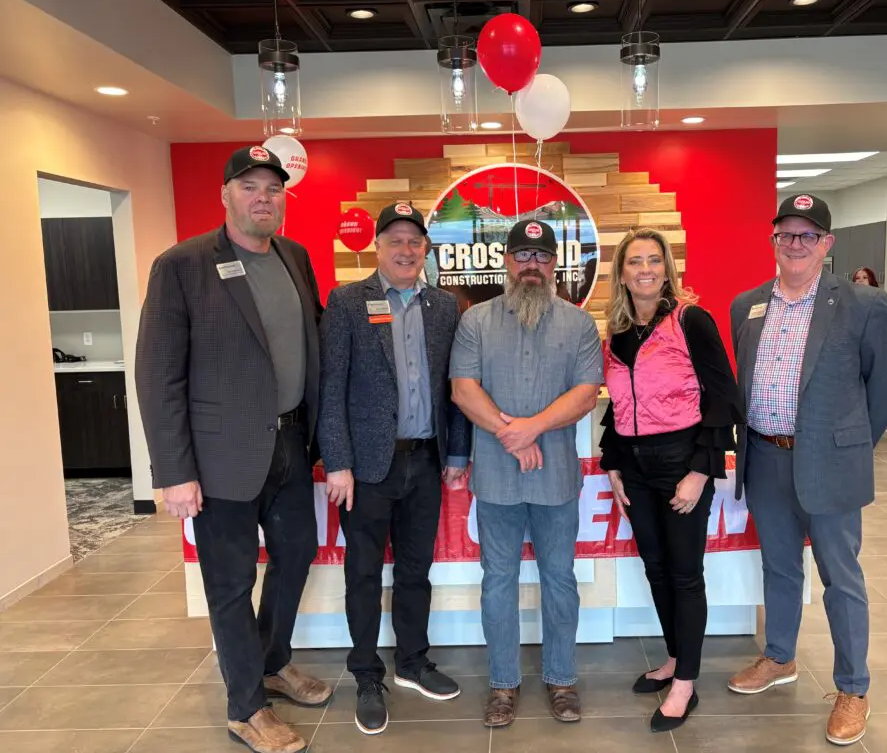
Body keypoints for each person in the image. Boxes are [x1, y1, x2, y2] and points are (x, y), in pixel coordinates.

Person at [136, 146, 329, 753]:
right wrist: (173, 471)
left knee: (295, 558)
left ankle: (271, 664)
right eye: (250, 186)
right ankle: (246, 708)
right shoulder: (182, 265)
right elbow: (157, 372)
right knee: (229, 581)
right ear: (226, 195)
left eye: (274, 188)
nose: (264, 197)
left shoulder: (296, 258)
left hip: (292, 444)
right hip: (221, 459)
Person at [728, 194, 887, 747]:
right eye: (786, 234)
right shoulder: (747, 305)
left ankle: (853, 687)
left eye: (809, 235)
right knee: (779, 568)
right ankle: (780, 657)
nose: (796, 244)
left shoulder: (863, 303)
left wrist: (851, 444)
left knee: (840, 576)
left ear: (827, 244)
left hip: (830, 464)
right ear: (773, 240)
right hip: (765, 457)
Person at [318, 203, 471, 736]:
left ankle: (413, 661)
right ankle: (365, 674)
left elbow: (457, 385)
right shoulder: (346, 302)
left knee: (414, 571)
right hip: (366, 468)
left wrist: (457, 454)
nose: (406, 250)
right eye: (396, 241)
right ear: (378, 247)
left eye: (415, 241)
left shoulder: (445, 306)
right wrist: (336, 462)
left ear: (425, 248)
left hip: (426, 461)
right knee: (361, 574)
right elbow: (330, 388)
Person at [450, 219, 603, 729]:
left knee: (560, 580)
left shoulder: (579, 324)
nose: (531, 265)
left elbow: (586, 394)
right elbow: (463, 390)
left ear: (554, 264)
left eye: (541, 256)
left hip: (556, 478)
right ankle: (502, 683)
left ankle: (561, 678)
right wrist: (511, 437)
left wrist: (530, 429)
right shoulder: (475, 322)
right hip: (495, 477)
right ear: (507, 263)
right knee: (498, 581)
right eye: (522, 256)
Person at [599, 228, 742, 733]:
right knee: (656, 570)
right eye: (634, 261)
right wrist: (612, 463)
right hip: (635, 470)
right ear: (620, 272)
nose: (644, 269)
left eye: (653, 260)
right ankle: (675, 659)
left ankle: (687, 681)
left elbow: (723, 399)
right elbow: (617, 409)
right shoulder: (616, 334)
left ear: (666, 268)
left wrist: (700, 472)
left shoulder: (690, 320)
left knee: (684, 574)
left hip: (682, 462)